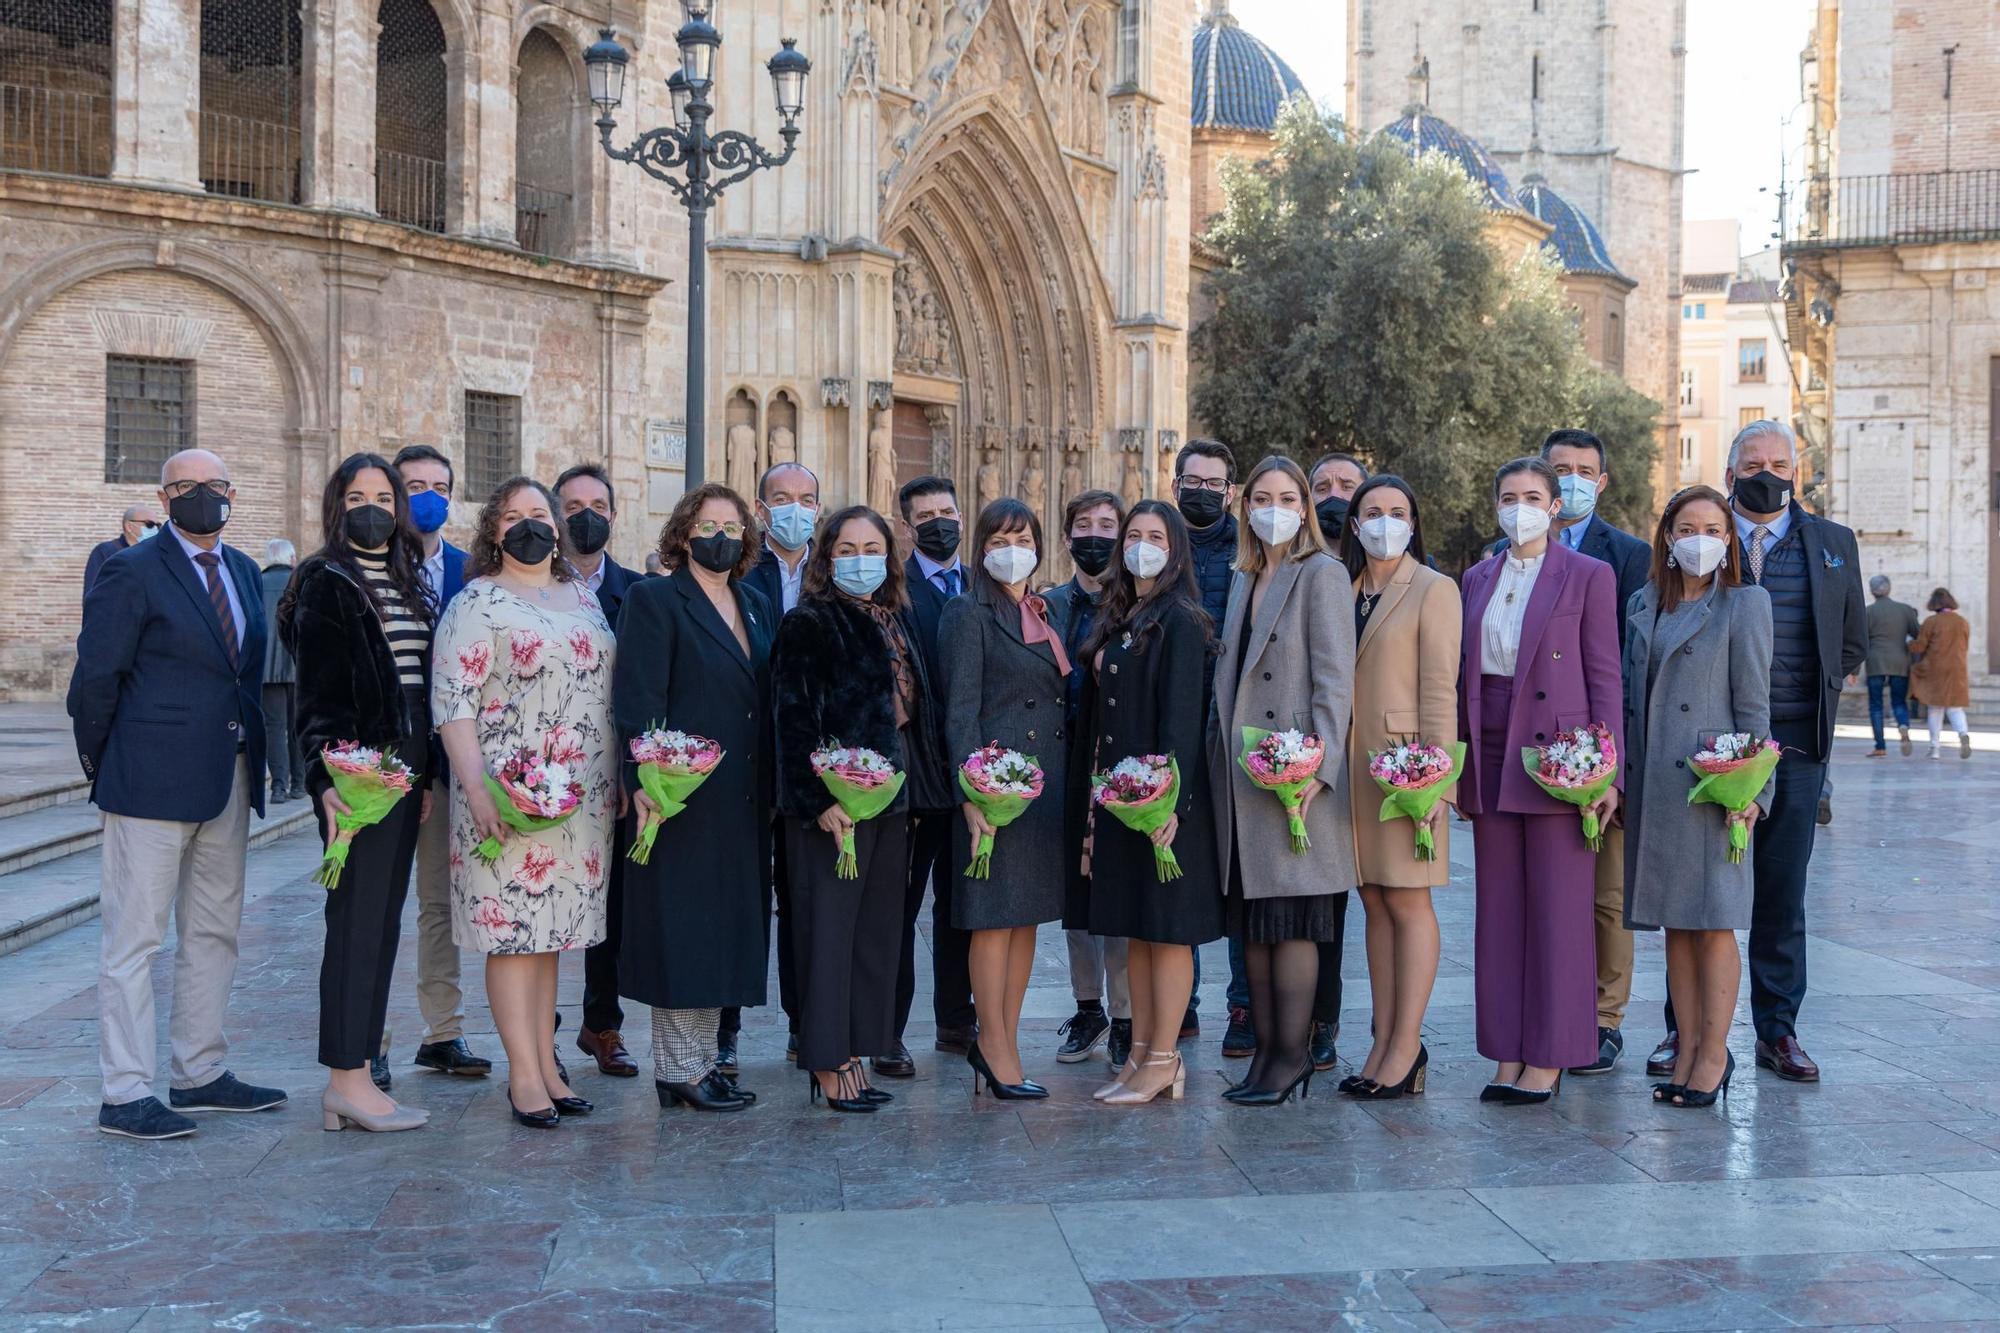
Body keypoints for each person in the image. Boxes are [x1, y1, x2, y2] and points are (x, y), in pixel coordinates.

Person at [69, 448, 286, 1140]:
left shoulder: (247, 571)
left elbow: (242, 676)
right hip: (146, 781)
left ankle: (199, 1070)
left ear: (233, 491)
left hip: (228, 775)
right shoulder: (130, 570)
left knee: (214, 931)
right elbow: (96, 677)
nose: (204, 496)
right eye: (187, 487)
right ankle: (124, 1090)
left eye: (216, 485)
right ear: (163, 499)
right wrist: (104, 761)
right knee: (135, 939)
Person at [1649, 420, 1863, 1086]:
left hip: (1795, 746)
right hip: (1704, 751)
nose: (1764, 471)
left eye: (1777, 461)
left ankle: (1777, 1029)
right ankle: (1682, 1031)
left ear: (1796, 470)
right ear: (1731, 469)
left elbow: (1850, 637)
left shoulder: (1830, 543)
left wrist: (1810, 689)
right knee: (1692, 893)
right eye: (1751, 462)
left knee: (1780, 891)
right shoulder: (1702, 539)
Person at [430, 477, 617, 1127]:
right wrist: (477, 788)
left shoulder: (582, 596)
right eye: (513, 516)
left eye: (539, 513)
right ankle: (523, 1077)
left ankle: (547, 1064)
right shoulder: (478, 601)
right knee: (513, 936)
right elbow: (452, 702)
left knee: (550, 940)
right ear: (493, 531)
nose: (528, 524)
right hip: (505, 797)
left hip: (578, 804)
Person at [772, 506, 950, 1112]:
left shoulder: (895, 619)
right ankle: (827, 1061)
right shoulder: (809, 622)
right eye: (846, 550)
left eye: (871, 547)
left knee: (875, 932)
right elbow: (793, 718)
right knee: (829, 932)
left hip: (892, 802)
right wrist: (818, 799)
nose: (860, 560)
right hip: (834, 807)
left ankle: (857, 1047)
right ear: (826, 560)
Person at [280, 454, 438, 1132]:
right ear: (337, 506)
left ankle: (360, 1073)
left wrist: (425, 775)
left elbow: (417, 687)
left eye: (383, 494)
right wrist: (324, 781)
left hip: (405, 772)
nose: (371, 506)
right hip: (358, 774)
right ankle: (345, 1076)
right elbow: (314, 697)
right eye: (357, 495)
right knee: (354, 923)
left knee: (381, 923)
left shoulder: (404, 579)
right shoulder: (326, 579)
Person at [1457, 456, 1622, 1105]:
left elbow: (1606, 674)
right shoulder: (1475, 576)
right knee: (1498, 912)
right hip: (1492, 748)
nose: (1519, 505)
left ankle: (1551, 1055)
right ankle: (1508, 1049)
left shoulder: (1589, 574)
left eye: (1532, 495)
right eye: (1508, 495)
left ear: (1556, 506)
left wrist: (1606, 771)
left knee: (1558, 911)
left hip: (1561, 759)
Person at [613, 483, 775, 1112]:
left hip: (741, 796)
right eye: (709, 525)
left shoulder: (755, 602)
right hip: (676, 795)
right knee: (683, 931)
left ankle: (702, 1062)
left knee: (724, 930)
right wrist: (645, 782)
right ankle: (679, 1069)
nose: (721, 537)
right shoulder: (655, 598)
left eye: (733, 528)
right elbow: (638, 699)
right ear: (683, 534)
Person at [1207, 456, 1355, 1106]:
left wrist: (1315, 772)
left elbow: (1334, 681)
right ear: (1245, 506)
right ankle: (1266, 1056)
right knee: (1257, 928)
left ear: (1304, 507)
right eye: (1262, 497)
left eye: (1288, 496)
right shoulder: (1247, 576)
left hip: (1296, 785)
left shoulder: (1319, 573)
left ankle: (1291, 1057)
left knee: (1293, 924)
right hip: (1246, 780)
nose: (1275, 507)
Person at [1622, 485, 1772, 1109]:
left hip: (1713, 785)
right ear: (1667, 535)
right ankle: (1684, 1049)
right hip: (1655, 787)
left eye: (1713, 528)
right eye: (1688, 528)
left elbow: (1755, 704)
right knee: (1675, 928)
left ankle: (1713, 1056)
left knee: (1713, 927)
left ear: (1729, 539)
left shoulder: (1745, 603)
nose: (1700, 539)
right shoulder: (1641, 602)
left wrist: (1753, 790)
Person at [1075, 500, 1226, 1105]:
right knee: (1135, 931)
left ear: (1176, 550)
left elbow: (1183, 723)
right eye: (1133, 535)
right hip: (1120, 801)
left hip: (1161, 806)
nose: (1142, 545)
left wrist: (1171, 807)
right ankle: (1140, 1054)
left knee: (1166, 934)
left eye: (1155, 536)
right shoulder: (1123, 615)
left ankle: (1165, 1058)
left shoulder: (1182, 620)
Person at [939, 498, 1071, 1098]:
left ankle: (1007, 1041)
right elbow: (960, 712)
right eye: (998, 538)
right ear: (981, 548)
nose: (1010, 549)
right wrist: (972, 795)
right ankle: (991, 1045)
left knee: (1024, 923)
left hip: (1041, 792)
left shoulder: (1042, 613)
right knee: (992, 923)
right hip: (994, 791)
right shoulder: (968, 613)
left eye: (1022, 538)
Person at [1531, 430, 1653, 1077]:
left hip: (1604, 754)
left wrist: (1617, 765)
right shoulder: (1512, 550)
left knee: (1608, 896)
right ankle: (1556, 1007)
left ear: (1602, 482)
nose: (1572, 479)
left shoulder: (1629, 555)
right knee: (1551, 892)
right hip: (1537, 759)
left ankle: (1605, 1019)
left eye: (1584, 470)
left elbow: (1630, 665)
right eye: (1561, 469)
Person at [1342, 475, 1460, 1099]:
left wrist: (1435, 785)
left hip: (1406, 770)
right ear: (1355, 524)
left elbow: (1440, 690)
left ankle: (1406, 1046)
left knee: (1410, 903)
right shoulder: (1344, 587)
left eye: (1397, 511)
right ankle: (1382, 1040)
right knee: (1375, 902)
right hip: (1352, 773)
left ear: (1414, 522)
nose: (1384, 522)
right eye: (1371, 512)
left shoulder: (1435, 590)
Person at [386, 444, 489, 1083]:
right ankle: (367, 1036)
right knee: (377, 903)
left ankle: (441, 1031)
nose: (429, 494)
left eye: (440, 484)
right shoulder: (372, 567)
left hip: (455, 767)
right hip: (389, 765)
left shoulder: (469, 570)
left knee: (438, 904)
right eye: (415, 483)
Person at [554, 463, 644, 1080]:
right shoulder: (526, 586)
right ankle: (538, 1034)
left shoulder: (639, 593)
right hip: (539, 774)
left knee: (609, 906)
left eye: (597, 504)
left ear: (613, 515)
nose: (586, 515)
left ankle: (601, 1024)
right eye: (572, 504)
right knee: (541, 902)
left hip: (612, 773)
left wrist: (633, 775)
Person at [1044, 489, 1131, 1069]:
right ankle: (1088, 1005)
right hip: (1064, 761)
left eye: (1108, 525)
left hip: (1116, 761)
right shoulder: (1047, 604)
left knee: (1115, 893)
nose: (1095, 534)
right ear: (1068, 535)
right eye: (1084, 524)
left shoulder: (1133, 604)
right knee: (1074, 898)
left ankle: (1125, 1015)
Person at [894, 475, 977, 1069]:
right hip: (916, 776)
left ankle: (956, 1019)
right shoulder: (893, 589)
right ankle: (887, 1026)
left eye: (946, 511)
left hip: (973, 779)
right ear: (907, 526)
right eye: (925, 516)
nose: (939, 523)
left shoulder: (982, 585)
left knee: (961, 906)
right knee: (897, 909)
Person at [742, 461, 821, 1062]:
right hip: (746, 761)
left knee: (804, 899)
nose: (795, 508)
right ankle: (722, 1034)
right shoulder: (740, 568)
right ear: (761, 506)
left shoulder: (834, 569)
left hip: (810, 766)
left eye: (806, 498)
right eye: (782, 498)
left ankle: (804, 1025)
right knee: (740, 899)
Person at [1173, 441, 1238, 1049]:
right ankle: (1181, 1000)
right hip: (1174, 724)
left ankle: (1242, 1004)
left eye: (1213, 484)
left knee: (1240, 868)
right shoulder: (1156, 546)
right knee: (1180, 863)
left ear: (1230, 492)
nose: (1202, 491)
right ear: (1175, 486)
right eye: (1192, 481)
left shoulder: (1251, 550)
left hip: (1233, 726)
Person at [260, 538, 305, 803]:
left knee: (274, 727)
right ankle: (299, 784)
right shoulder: (303, 583)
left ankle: (278, 786)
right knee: (298, 727)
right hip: (301, 667)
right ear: (292, 559)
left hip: (266, 669)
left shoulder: (256, 583)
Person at [1910, 587, 1972, 761]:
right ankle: (1962, 734)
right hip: (1957, 669)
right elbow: (1965, 646)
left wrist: (1908, 644)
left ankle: (1935, 748)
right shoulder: (1962, 622)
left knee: (1935, 708)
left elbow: (1920, 646)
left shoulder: (1931, 621)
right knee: (1955, 708)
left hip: (1936, 670)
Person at [1863, 575, 1920, 757]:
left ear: (1872, 591)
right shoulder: (1905, 610)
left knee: (1876, 705)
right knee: (1899, 701)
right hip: (1900, 662)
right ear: (1889, 589)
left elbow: (1860, 641)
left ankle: (1880, 746)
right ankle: (1903, 725)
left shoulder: (1868, 612)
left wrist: (1853, 669)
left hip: (1875, 662)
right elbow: (1917, 634)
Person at [84, 504, 161, 600]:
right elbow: (92, 595)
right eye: (149, 525)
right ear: (129, 526)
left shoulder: (156, 554)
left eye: (158, 525)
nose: (155, 529)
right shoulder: (105, 551)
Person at [1309, 453, 1368, 552]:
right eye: (1322, 489)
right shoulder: (1292, 560)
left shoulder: (1379, 560)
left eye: (1347, 487)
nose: (1334, 495)